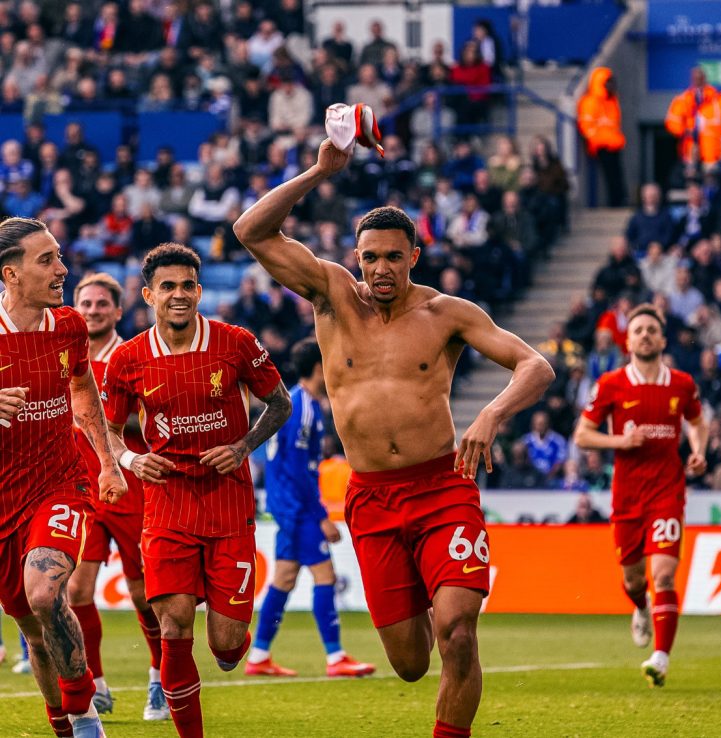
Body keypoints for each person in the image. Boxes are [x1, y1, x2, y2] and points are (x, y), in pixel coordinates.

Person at [233, 139, 554, 738]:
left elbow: (536, 365)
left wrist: (491, 415)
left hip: (442, 490)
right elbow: (251, 230)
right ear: (356, 256)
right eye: (371, 257)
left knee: (457, 630)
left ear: (415, 257)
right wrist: (320, 171)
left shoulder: (448, 314)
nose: (380, 269)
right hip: (372, 499)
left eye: (394, 258)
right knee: (409, 663)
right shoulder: (330, 296)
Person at [102, 243, 292, 738]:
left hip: (228, 502)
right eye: (168, 287)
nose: (179, 295)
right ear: (148, 295)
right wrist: (129, 458)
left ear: (200, 290)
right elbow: (105, 427)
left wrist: (244, 445)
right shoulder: (128, 358)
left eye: (188, 285)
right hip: (166, 503)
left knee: (228, 651)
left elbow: (280, 404)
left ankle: (228, 621)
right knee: (173, 627)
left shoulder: (235, 342)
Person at [0, 216, 128, 738]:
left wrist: (107, 460)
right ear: (10, 274)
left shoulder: (70, 326)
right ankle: (69, 724)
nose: (62, 269)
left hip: (60, 482)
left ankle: (84, 709)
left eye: (58, 255)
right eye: (47, 260)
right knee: (33, 626)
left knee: (46, 593)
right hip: (4, 497)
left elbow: (81, 389)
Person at [574, 303, 708, 688]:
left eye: (652, 329)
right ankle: (640, 607)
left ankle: (661, 658)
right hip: (627, 496)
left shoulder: (682, 383)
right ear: (627, 340)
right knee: (634, 581)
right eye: (639, 330)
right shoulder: (612, 384)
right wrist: (621, 440)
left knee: (663, 575)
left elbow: (698, 424)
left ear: (663, 339)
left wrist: (698, 451)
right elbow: (583, 434)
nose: (645, 334)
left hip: (667, 490)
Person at [67, 273, 169, 721]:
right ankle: (97, 685)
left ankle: (160, 679)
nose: (92, 310)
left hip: (130, 488)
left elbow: (149, 423)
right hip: (81, 489)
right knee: (75, 589)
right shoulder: (65, 355)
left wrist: (103, 422)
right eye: (85, 304)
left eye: (100, 304)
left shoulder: (130, 358)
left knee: (144, 594)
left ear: (117, 310)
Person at [244, 339, 376, 678]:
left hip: (287, 506)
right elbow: (299, 470)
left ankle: (258, 655)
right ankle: (335, 657)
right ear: (319, 367)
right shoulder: (302, 406)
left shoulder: (298, 403)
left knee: (284, 579)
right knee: (325, 576)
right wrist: (320, 517)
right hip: (298, 508)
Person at [665, 67, 721, 167]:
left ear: (705, 79)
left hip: (713, 155)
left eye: (700, 78)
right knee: (690, 177)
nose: (698, 80)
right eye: (695, 78)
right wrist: (685, 130)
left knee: (712, 178)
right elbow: (671, 123)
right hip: (691, 154)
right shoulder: (682, 100)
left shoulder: (718, 99)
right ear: (692, 80)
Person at [577, 67, 626, 207]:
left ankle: (619, 200)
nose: (611, 86)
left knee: (617, 175)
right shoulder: (590, 101)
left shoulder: (612, 102)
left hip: (614, 144)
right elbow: (586, 126)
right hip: (601, 146)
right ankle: (614, 202)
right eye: (608, 83)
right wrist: (596, 140)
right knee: (610, 176)